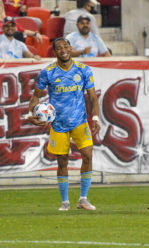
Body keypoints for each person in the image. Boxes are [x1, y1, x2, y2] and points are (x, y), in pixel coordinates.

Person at [28, 37, 101, 211]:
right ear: (55, 52)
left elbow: (92, 97)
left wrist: (96, 118)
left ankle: (83, 198)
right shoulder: (48, 72)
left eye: (65, 46)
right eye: (59, 48)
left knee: (88, 155)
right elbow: (35, 97)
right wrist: (32, 114)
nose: (63, 50)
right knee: (62, 162)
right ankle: (65, 202)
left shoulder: (83, 70)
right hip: (58, 124)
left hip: (80, 121)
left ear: (70, 48)